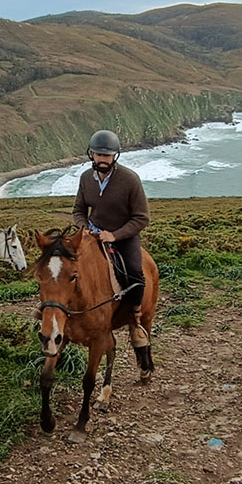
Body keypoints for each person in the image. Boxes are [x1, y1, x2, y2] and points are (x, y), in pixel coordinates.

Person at [71, 129, 150, 347]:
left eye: (107, 155)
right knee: (63, 264)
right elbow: (78, 211)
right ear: (91, 155)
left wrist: (114, 235)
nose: (102, 159)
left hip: (123, 236)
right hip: (91, 234)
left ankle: (135, 319)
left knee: (135, 273)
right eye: (98, 154)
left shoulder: (130, 180)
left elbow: (141, 218)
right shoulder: (86, 178)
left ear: (115, 156)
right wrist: (84, 228)